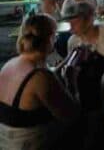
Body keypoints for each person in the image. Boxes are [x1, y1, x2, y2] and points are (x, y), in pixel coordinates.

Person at [0, 14, 79, 150]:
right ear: (49, 39)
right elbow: (70, 114)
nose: (56, 39)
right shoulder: (40, 76)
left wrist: (64, 63)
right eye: (55, 35)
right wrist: (71, 81)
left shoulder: (10, 64)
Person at [64, 2, 104, 68]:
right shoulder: (73, 42)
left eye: (75, 23)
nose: (71, 28)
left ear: (90, 19)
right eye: (69, 23)